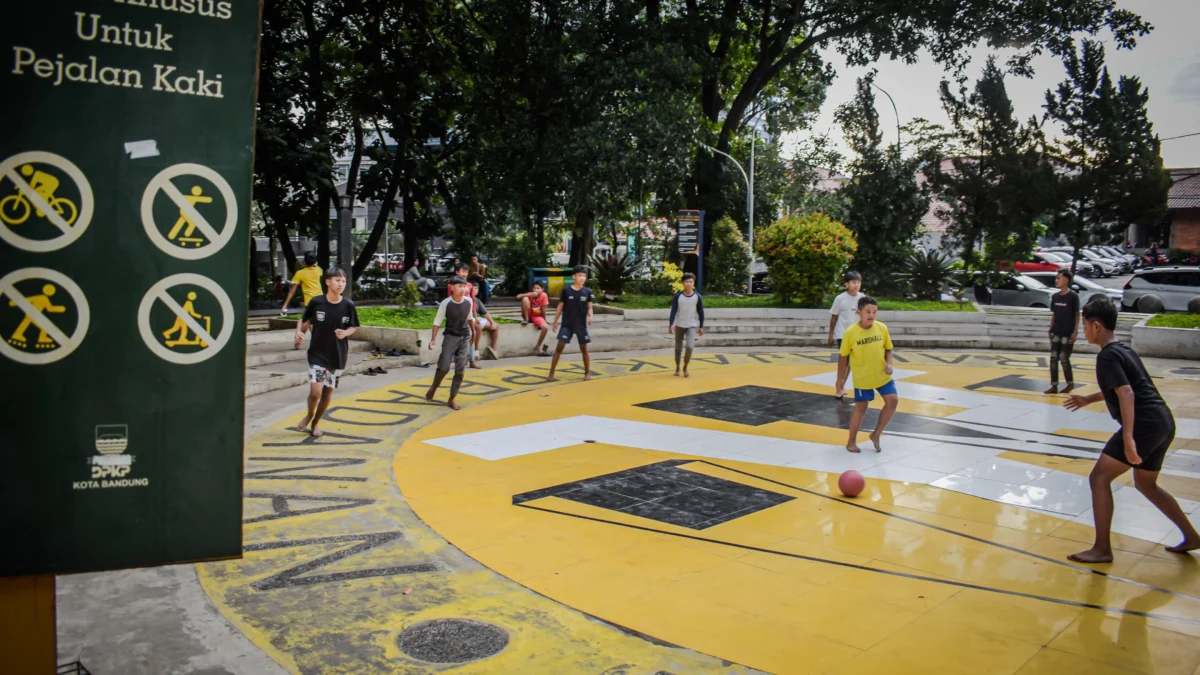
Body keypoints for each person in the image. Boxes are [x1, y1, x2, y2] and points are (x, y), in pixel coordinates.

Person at [1063, 296, 1200, 562]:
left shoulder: (1107, 356)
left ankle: (1102, 549)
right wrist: (1088, 399)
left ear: (1097, 327)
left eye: (1086, 326)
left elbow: (1126, 394)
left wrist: (1128, 438)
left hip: (1144, 425)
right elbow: (1127, 387)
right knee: (1146, 484)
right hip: (1163, 421)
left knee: (1099, 478)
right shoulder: (1123, 350)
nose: (1084, 331)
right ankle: (1191, 536)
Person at [293, 267, 359, 437]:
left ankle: (315, 423)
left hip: (337, 355)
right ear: (327, 282)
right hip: (317, 354)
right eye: (337, 280)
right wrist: (299, 332)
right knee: (315, 392)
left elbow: (354, 326)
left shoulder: (348, 305)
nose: (341, 284)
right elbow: (303, 319)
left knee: (327, 392)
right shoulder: (317, 302)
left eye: (343, 281)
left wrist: (345, 333)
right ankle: (309, 414)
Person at [834, 296, 898, 453]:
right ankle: (851, 441)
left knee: (893, 401)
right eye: (868, 312)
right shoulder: (851, 332)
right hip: (863, 378)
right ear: (859, 312)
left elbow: (888, 348)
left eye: (874, 312)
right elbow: (843, 357)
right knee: (861, 408)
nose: (871, 315)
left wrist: (889, 363)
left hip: (882, 375)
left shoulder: (882, 328)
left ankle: (876, 434)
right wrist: (839, 380)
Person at [426, 276, 475, 410]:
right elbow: (437, 322)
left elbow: (470, 318)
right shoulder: (446, 303)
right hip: (450, 337)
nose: (463, 289)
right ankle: (434, 387)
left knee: (460, 370)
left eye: (464, 286)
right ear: (452, 287)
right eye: (459, 286)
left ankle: (452, 398)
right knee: (444, 367)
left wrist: (474, 333)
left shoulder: (468, 301)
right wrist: (433, 340)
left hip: (464, 337)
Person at [547, 265, 594, 382]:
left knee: (584, 348)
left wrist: (590, 316)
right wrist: (555, 321)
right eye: (579, 275)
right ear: (574, 277)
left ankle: (587, 373)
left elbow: (590, 307)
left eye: (584, 276)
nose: (582, 278)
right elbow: (560, 306)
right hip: (567, 324)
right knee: (559, 347)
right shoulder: (566, 291)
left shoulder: (587, 292)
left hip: (581, 326)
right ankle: (551, 373)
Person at [828, 271, 863, 398]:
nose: (856, 285)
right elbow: (834, 317)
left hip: (857, 334)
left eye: (858, 282)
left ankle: (842, 386)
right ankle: (838, 386)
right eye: (854, 282)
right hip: (842, 334)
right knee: (843, 361)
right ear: (846, 284)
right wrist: (831, 335)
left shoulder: (862, 297)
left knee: (851, 362)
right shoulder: (840, 298)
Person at [1045, 269, 1080, 395]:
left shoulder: (1073, 297)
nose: (1056, 281)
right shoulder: (1055, 297)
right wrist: (1051, 329)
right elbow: (1054, 314)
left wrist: (1075, 332)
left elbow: (1077, 315)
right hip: (1057, 331)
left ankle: (1070, 383)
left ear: (1066, 280)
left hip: (1068, 332)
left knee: (1064, 358)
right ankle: (1054, 385)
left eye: (1058, 278)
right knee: (1053, 358)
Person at [669, 273, 705, 378]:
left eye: (690, 282)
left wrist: (701, 326)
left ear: (693, 283)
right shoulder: (678, 296)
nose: (688, 284)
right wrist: (671, 323)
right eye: (686, 282)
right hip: (680, 325)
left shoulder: (697, 297)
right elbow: (673, 310)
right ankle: (677, 367)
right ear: (683, 283)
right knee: (678, 348)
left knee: (689, 346)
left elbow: (700, 311)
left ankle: (685, 366)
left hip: (691, 325)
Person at [468, 283, 500, 367]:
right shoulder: (466, 298)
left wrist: (492, 322)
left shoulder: (477, 300)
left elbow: (485, 313)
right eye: (472, 288)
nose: (474, 290)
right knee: (478, 326)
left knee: (496, 326)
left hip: (476, 319)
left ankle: (493, 349)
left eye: (476, 288)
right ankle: (476, 350)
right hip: (468, 320)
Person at [517, 281, 551, 356]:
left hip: (537, 316)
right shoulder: (529, 294)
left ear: (542, 289)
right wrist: (530, 294)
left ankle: (538, 345)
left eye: (538, 288)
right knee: (525, 299)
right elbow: (518, 297)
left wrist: (544, 320)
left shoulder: (544, 295)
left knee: (545, 327)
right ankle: (526, 319)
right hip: (528, 314)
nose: (535, 290)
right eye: (534, 288)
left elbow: (543, 309)